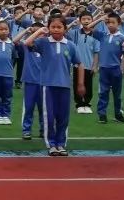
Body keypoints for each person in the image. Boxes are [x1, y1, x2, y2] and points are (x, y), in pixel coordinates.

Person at [24, 16, 84, 156]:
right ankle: (51, 144)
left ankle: (61, 143)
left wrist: (80, 83)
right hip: (48, 86)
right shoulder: (44, 43)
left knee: (63, 117)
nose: (56, 30)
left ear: (64, 29)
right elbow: (27, 43)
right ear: (49, 28)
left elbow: (79, 64)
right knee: (49, 116)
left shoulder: (70, 45)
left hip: (64, 86)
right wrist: (39, 32)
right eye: (53, 27)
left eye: (59, 27)